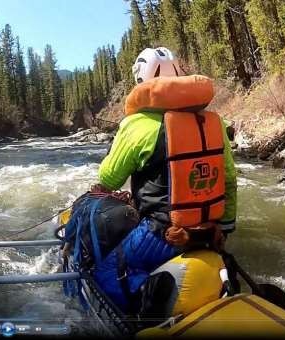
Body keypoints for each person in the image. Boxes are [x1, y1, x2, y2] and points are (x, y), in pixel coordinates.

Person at [91, 47, 237, 313]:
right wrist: (224, 229)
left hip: (161, 235)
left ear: (141, 81)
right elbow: (229, 179)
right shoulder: (214, 122)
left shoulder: (137, 124)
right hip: (209, 232)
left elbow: (109, 179)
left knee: (105, 270)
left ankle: (148, 301)